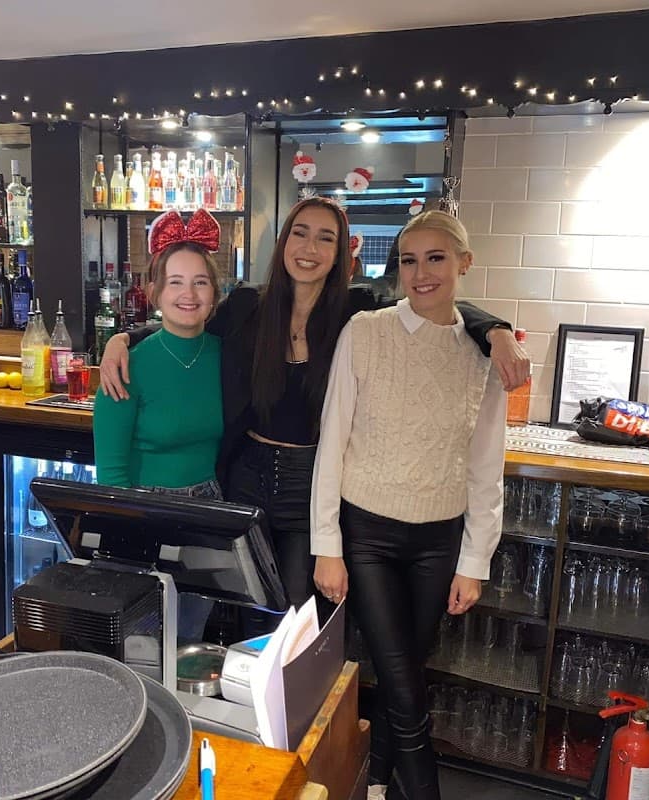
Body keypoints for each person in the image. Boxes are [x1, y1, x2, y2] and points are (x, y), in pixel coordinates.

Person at [100, 197, 526, 612]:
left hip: (311, 484)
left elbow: (430, 300)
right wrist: (124, 339)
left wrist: (495, 329)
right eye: (300, 233)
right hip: (244, 478)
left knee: (296, 613)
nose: (309, 248)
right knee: (239, 606)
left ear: (341, 254)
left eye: (325, 238)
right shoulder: (249, 306)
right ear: (284, 242)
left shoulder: (357, 313)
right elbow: (185, 322)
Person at [311, 210, 505, 800]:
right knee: (403, 684)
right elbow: (332, 439)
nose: (420, 274)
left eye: (436, 258)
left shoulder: (485, 354)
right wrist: (328, 545)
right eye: (408, 260)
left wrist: (476, 560)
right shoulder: (365, 333)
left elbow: (485, 462)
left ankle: (373, 786)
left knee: (405, 679)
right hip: (366, 533)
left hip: (438, 539)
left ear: (464, 264)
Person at [92, 207, 223, 642]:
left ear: (215, 292)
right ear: (154, 292)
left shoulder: (231, 356)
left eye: (200, 281)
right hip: (141, 508)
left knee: (190, 639)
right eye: (176, 282)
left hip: (208, 511)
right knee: (142, 642)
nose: (189, 294)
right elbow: (110, 472)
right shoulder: (127, 365)